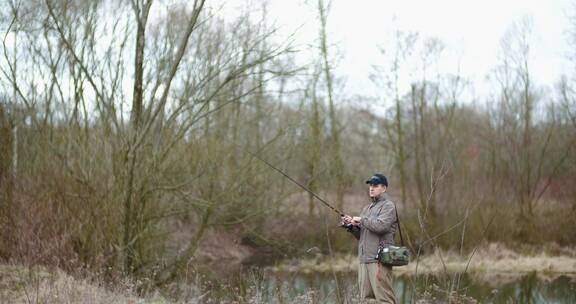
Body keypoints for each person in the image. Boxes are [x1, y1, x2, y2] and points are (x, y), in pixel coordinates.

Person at [341, 173, 397, 303]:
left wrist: (361, 220)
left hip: (380, 260)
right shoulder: (367, 208)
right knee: (366, 300)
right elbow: (363, 236)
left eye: (375, 185)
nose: (371, 188)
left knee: (385, 299)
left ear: (384, 188)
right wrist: (351, 226)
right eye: (370, 185)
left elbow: (381, 226)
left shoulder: (388, 206)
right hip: (364, 260)